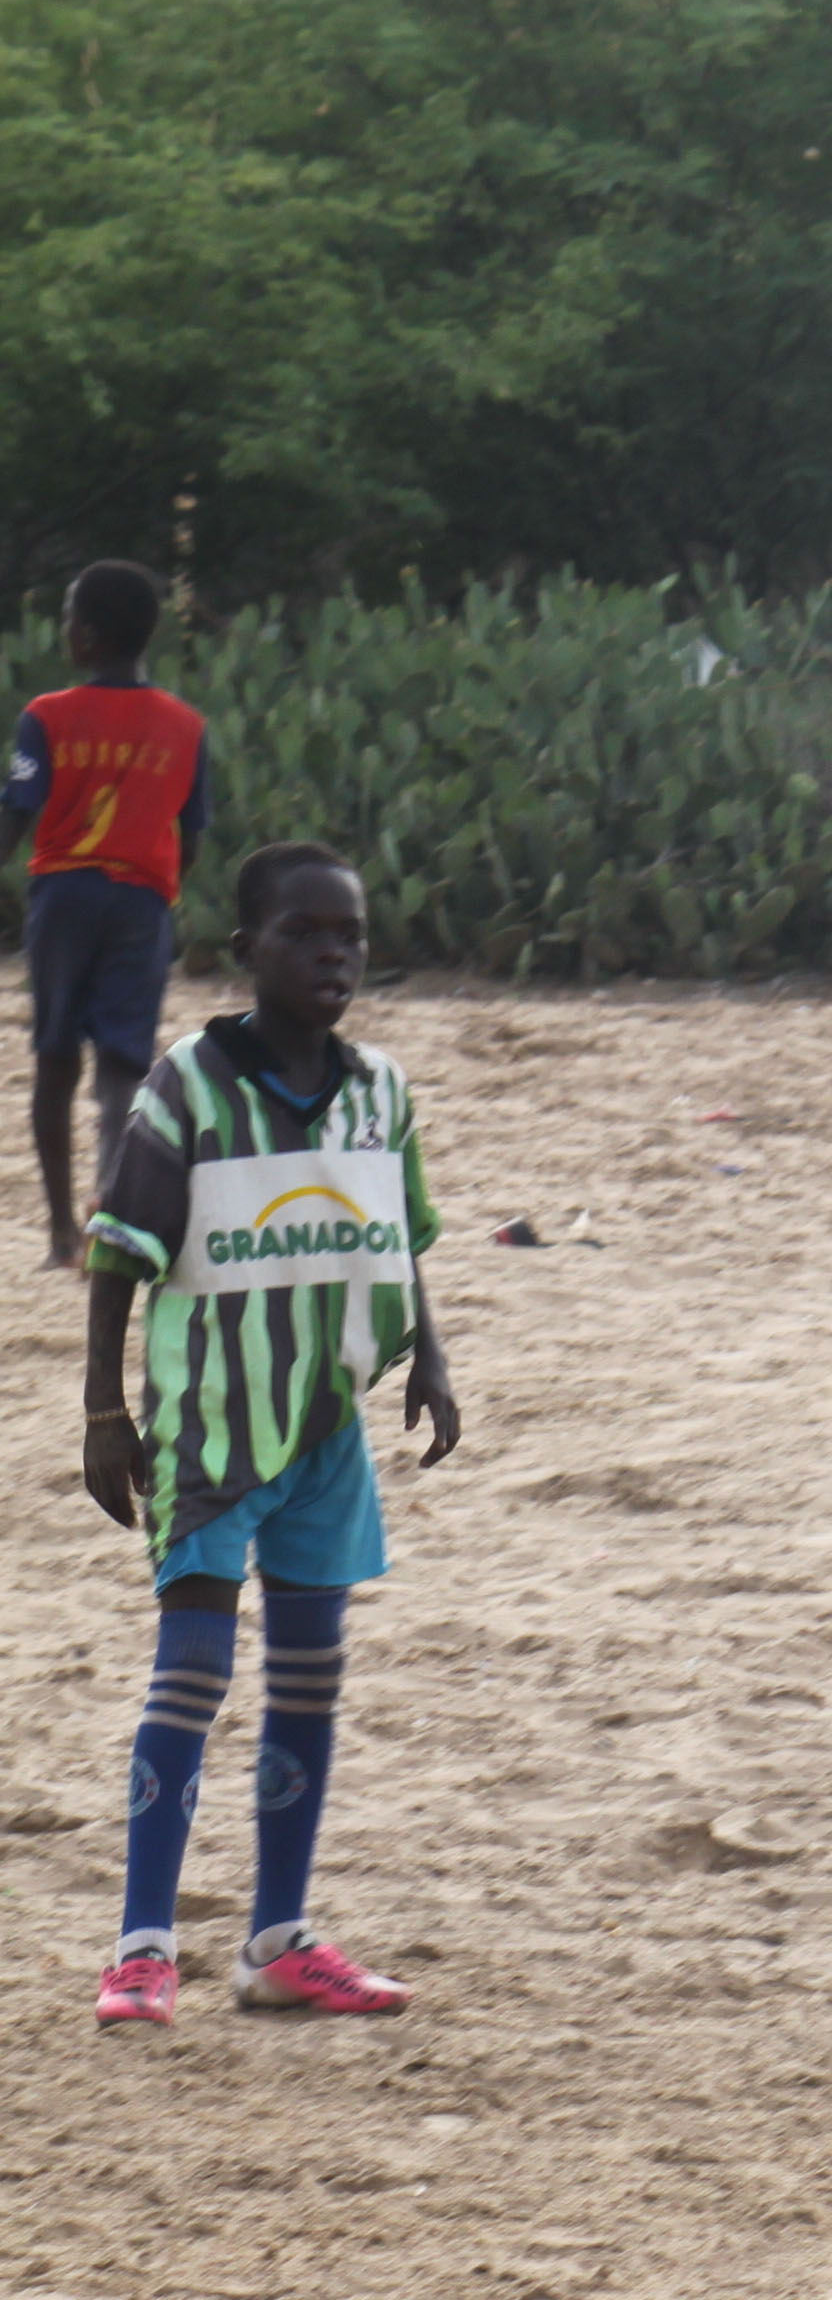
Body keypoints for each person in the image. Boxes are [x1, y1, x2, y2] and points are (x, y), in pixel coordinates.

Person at [79, 843, 462, 2027]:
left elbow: (398, 1235)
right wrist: (103, 1410)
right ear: (247, 951)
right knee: (193, 1671)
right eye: (305, 933)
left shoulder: (380, 1090)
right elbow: (119, 1252)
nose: (333, 954)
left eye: (350, 935)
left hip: (325, 1431)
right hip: (207, 1433)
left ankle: (278, 1941)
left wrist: (429, 1355)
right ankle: (143, 1948)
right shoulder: (187, 1087)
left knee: (309, 1678)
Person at [11, 561, 215, 1269]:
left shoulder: (45, 717)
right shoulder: (186, 727)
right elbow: (192, 836)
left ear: (88, 637)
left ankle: (61, 1235)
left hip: (63, 899)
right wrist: (156, 885)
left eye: (70, 616)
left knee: (55, 1059)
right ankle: (111, 1216)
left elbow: (15, 815)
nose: (65, 629)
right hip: (141, 902)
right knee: (125, 1063)